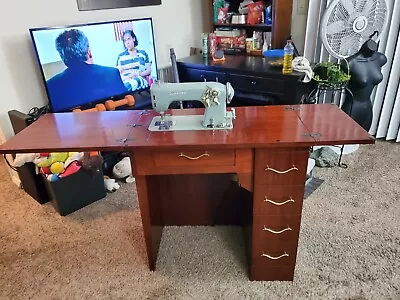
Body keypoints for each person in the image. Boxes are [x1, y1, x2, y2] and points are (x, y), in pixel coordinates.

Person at [46, 29, 128, 112]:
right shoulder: (111, 73)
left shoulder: (50, 84)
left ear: (63, 58)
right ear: (89, 51)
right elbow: (127, 104)